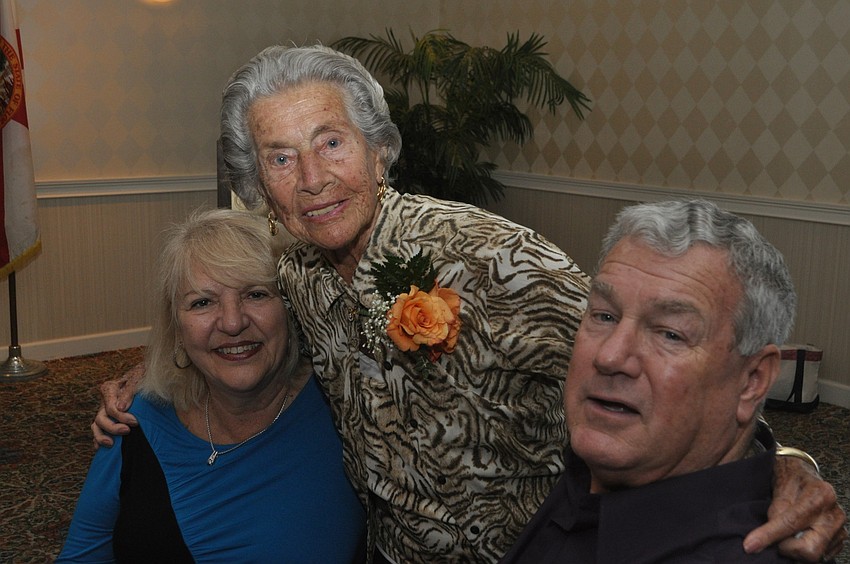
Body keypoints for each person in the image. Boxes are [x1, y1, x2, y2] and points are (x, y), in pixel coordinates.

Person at [93, 45, 845, 563]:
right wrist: (147, 382)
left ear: (379, 151)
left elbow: (652, 368)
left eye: (332, 143)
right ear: (258, 185)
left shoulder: (490, 258)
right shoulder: (296, 268)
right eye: (281, 158)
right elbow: (235, 326)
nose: (313, 179)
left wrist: (783, 462)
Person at [501, 200, 847, 563]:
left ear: (752, 381)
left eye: (670, 334)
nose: (609, 356)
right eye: (604, 315)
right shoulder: (611, 449)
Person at [60, 209, 365, 562]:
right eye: (202, 302)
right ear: (176, 327)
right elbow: (82, 555)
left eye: (256, 294)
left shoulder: (343, 407)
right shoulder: (133, 417)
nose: (233, 323)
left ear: (292, 308)